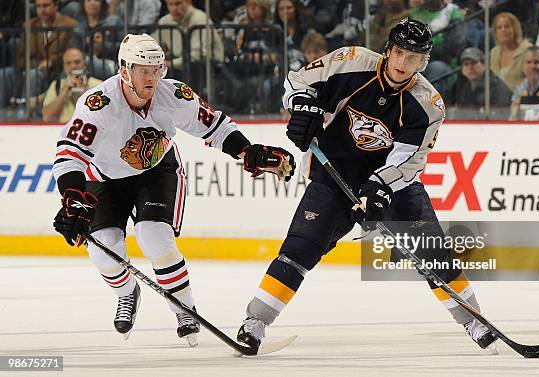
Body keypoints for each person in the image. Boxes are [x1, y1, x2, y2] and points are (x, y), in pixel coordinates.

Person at [234, 18, 497, 353]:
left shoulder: (428, 105)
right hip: (334, 175)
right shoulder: (351, 61)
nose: (404, 63)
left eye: (414, 58)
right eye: (399, 53)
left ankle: (475, 322)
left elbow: (409, 160)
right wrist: (302, 107)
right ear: (387, 50)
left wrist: (378, 187)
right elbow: (298, 82)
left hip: (392, 184)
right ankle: (253, 324)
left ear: (424, 62)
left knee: (433, 253)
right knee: (298, 250)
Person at [51, 34, 295, 346]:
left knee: (155, 238)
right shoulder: (98, 103)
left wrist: (247, 151)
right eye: (143, 69)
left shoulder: (175, 94)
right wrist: (73, 198)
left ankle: (184, 307)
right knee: (103, 249)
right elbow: (70, 154)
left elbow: (216, 127)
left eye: (157, 69)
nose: (152, 77)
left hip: (157, 172)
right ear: (124, 70)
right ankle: (127, 292)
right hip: (104, 177)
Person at [0, 0, 78, 108]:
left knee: (33, 75)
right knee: (5, 73)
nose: (42, 10)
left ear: (56, 6)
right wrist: (37, 65)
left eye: (46, 5)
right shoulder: (29, 25)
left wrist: (51, 62)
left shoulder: (70, 25)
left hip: (56, 71)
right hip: (32, 69)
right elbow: (20, 59)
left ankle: (28, 113)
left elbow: (73, 54)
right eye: (39, 6)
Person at [42, 47, 103, 122]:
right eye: (68, 63)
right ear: (64, 67)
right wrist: (63, 93)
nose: (73, 66)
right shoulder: (56, 85)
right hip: (62, 129)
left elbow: (105, 116)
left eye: (77, 62)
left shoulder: (98, 85)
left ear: (84, 64)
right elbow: (46, 115)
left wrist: (87, 96)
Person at [447, 47, 513, 108]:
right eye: (466, 64)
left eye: (474, 63)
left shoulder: (497, 87)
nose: (470, 67)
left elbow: (501, 113)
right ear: (462, 69)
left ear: (484, 65)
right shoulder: (464, 87)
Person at [490, 12, 533, 93]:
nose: (503, 30)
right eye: (499, 28)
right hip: (498, 100)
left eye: (507, 26)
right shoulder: (494, 52)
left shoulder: (528, 50)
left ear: (515, 29)